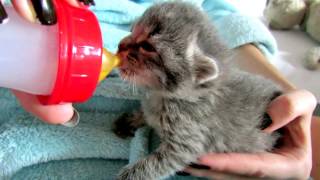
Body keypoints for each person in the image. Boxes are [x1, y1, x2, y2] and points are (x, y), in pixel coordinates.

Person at [1, 0, 319, 179]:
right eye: (133, 33)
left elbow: (179, 150)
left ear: (197, 74)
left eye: (146, 49)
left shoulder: (189, 103)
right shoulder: (169, 80)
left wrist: (289, 97)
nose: (125, 45)